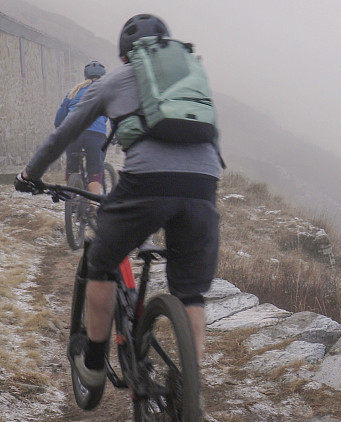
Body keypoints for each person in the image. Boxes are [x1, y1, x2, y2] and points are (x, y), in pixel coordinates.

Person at [15, 14, 221, 392]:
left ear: (126, 54)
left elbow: (61, 136)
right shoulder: (192, 78)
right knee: (190, 293)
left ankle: (93, 363)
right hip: (204, 186)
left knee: (101, 262)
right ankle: (189, 387)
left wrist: (29, 176)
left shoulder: (110, 81)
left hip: (146, 184)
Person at [56, 61, 108, 196]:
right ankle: (93, 205)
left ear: (85, 76)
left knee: (72, 167)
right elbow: (115, 116)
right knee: (95, 170)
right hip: (95, 135)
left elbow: (60, 117)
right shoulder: (106, 92)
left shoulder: (73, 91)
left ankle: (71, 198)